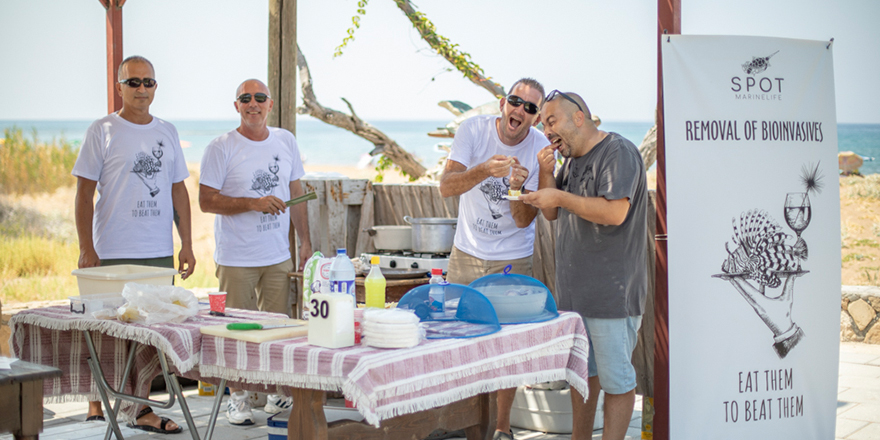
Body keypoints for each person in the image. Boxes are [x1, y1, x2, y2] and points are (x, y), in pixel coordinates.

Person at [73, 55, 194, 434]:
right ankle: (98, 398)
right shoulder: (103, 129)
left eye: (148, 83)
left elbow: (178, 190)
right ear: (119, 86)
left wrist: (186, 243)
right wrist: (86, 246)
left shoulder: (168, 131)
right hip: (112, 248)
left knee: (151, 334)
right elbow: (83, 193)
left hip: (156, 251)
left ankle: (140, 409)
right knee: (107, 329)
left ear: (156, 87)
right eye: (134, 82)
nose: (142, 89)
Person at [520, 90, 647, 440]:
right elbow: (550, 211)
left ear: (579, 117)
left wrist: (558, 195)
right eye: (544, 125)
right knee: (581, 374)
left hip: (612, 294)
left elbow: (615, 211)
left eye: (551, 120)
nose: (547, 130)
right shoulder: (571, 160)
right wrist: (547, 173)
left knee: (616, 380)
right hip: (575, 295)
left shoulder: (618, 152)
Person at [438, 78, 549, 440]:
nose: (521, 110)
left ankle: (501, 428)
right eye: (516, 101)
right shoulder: (473, 129)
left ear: (536, 117)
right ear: (503, 103)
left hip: (512, 259)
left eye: (530, 107)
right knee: (460, 339)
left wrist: (517, 188)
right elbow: (446, 186)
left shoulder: (540, 147)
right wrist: (485, 169)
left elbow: (522, 220)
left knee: (507, 346)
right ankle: (466, 423)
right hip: (467, 253)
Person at [199, 78, 312, 425]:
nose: (253, 104)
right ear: (236, 106)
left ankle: (276, 395)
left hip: (277, 254)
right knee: (237, 330)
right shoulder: (221, 147)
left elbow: (296, 189)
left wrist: (305, 240)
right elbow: (206, 201)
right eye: (245, 98)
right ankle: (240, 399)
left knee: (278, 329)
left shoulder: (285, 140)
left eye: (259, 98)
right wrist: (253, 203)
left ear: (270, 104)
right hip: (237, 257)